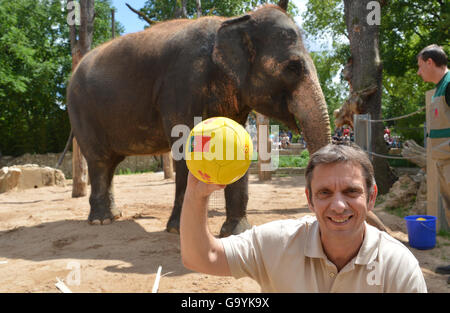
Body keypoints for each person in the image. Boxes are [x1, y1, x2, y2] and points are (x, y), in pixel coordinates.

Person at [180, 143, 427, 292]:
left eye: (351, 192)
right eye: (325, 193)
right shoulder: (276, 242)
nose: (339, 205)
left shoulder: (398, 266)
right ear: (309, 200)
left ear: (372, 197)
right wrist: (196, 193)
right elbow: (201, 257)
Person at [417, 44, 450, 280]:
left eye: (420, 67)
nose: (419, 73)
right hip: (442, 162)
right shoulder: (440, 88)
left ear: (430, 62)